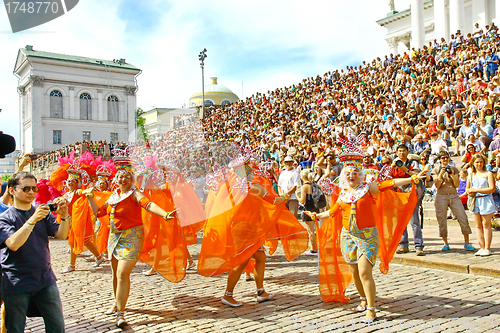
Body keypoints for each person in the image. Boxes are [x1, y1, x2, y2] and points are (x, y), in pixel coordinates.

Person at [304, 134, 423, 323]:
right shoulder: (343, 193)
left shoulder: (368, 188)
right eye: (348, 173)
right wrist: (317, 216)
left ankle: (371, 308)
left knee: (364, 271)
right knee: (353, 271)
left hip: (367, 235)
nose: (351, 176)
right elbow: (333, 212)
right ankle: (362, 299)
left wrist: (412, 179)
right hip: (348, 235)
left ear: (360, 174)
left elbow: (388, 184)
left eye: (354, 173)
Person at [86, 160, 178, 328]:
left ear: (132, 179)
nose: (123, 180)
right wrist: (90, 198)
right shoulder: (114, 195)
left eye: (127, 177)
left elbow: (148, 204)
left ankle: (120, 314)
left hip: (132, 238)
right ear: (116, 179)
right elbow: (99, 213)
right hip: (114, 238)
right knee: (115, 274)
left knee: (122, 273)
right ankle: (117, 303)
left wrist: (164, 214)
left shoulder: (135, 194)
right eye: (120, 177)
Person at [0, 172, 71, 332]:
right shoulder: (5, 218)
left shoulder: (42, 212)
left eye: (34, 188)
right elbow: (13, 243)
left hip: (45, 279)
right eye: (25, 188)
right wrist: (32, 219)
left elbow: (61, 234)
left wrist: (65, 216)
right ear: (12, 190)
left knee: (57, 327)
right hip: (16, 282)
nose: (31, 192)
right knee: (15, 328)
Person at [432, 151, 475, 251]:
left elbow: (456, 185)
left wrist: (451, 174)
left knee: (462, 217)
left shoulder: (454, 169)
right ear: (439, 159)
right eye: (443, 158)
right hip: (441, 195)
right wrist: (441, 174)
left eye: (447, 158)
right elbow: (437, 185)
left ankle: (467, 242)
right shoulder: (436, 169)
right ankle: (445, 243)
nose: (445, 160)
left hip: (453, 194)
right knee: (441, 219)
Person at [392, 144, 425, 255]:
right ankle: (403, 245)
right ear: (396, 153)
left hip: (411, 194)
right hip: (398, 194)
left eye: (404, 151)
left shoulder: (413, 163)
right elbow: (387, 177)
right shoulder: (394, 163)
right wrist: (391, 167)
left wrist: (405, 169)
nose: (402, 153)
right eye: (399, 151)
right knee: (401, 222)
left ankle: (418, 246)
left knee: (414, 221)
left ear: (407, 151)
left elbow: (417, 176)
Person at [466, 154, 495, 256]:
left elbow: (492, 188)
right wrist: (470, 191)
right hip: (475, 201)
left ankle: (487, 247)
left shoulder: (488, 174)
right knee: (478, 225)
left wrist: (476, 190)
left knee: (486, 224)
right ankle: (481, 247)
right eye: (477, 162)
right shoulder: (471, 175)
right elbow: (468, 188)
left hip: (485, 199)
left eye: (481, 162)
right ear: (473, 163)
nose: (479, 164)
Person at [296, 169, 318, 255]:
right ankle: (315, 247)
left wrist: (297, 195)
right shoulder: (313, 185)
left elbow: (302, 200)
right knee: (314, 230)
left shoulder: (304, 187)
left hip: (308, 209)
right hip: (315, 208)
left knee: (310, 231)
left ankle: (314, 249)